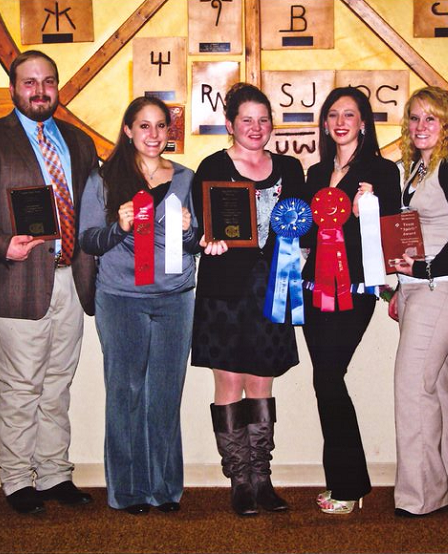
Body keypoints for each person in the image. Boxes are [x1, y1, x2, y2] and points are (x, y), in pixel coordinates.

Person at [0, 50, 98, 515]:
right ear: (12, 89)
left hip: (70, 278)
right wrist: (0, 243)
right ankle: (17, 480)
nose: (40, 90)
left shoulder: (78, 142)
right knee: (20, 387)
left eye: (48, 81)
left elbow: (93, 206)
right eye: (29, 82)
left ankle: (55, 473)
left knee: (58, 384)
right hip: (15, 278)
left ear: (58, 87)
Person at [79, 97, 199, 515]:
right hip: (122, 297)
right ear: (128, 130)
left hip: (175, 297)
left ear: (170, 132)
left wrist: (188, 231)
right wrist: (119, 227)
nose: (153, 134)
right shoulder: (105, 179)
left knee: (165, 394)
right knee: (125, 393)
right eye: (143, 126)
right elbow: (88, 240)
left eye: (160, 126)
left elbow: (196, 243)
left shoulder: (186, 178)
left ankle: (165, 488)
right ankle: (128, 491)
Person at [191, 83, 305, 516]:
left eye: (263, 119)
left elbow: (303, 228)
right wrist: (208, 241)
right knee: (229, 384)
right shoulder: (213, 166)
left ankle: (263, 478)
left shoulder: (291, 169)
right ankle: (238, 479)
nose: (256, 128)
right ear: (230, 125)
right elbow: (203, 228)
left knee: (262, 382)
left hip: (275, 288)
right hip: (225, 291)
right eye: (246, 120)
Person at [300, 87, 401, 514]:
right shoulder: (315, 172)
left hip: (355, 290)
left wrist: (364, 213)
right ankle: (345, 481)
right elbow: (305, 233)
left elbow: (392, 231)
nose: (341, 121)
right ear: (325, 124)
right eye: (334, 115)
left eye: (350, 114)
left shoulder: (382, 171)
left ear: (363, 123)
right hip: (312, 289)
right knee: (325, 380)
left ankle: (348, 484)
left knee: (327, 377)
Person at [389, 86, 448, 517]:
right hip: (418, 290)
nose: (421, 126)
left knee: (413, 390)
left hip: (443, 289)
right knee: (434, 387)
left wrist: (428, 268)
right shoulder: (417, 168)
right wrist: (397, 283)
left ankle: (420, 496)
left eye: (431, 118)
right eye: (414, 118)